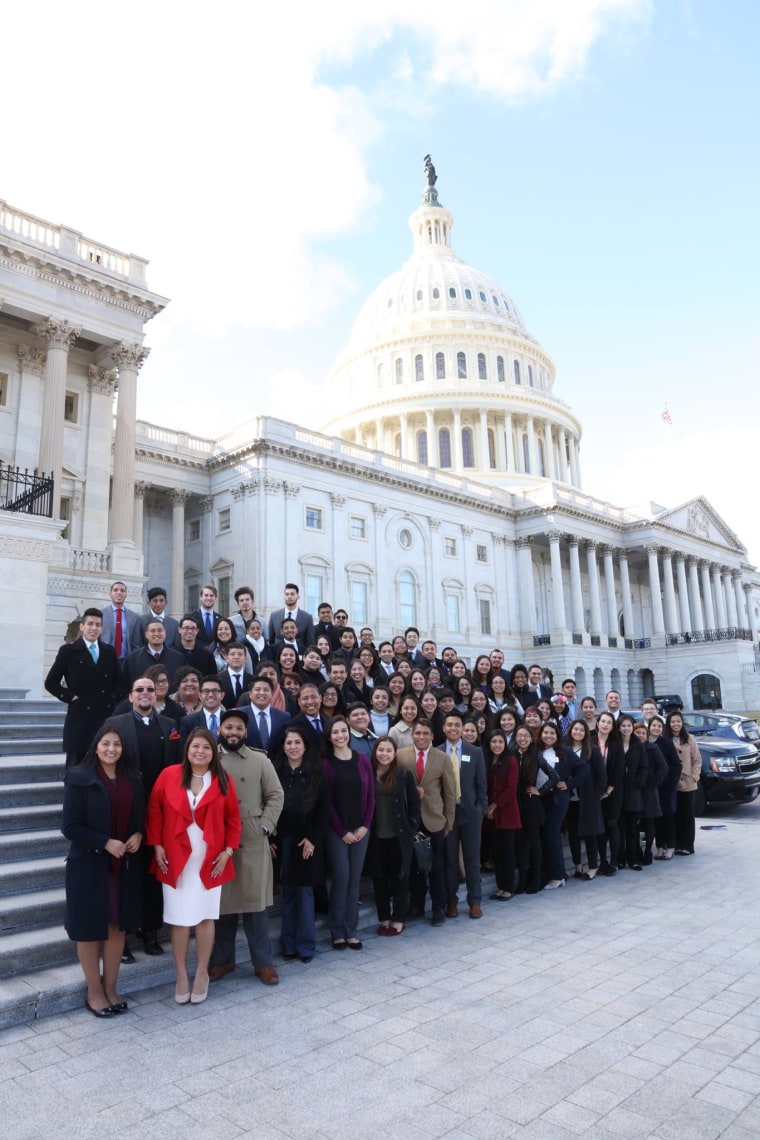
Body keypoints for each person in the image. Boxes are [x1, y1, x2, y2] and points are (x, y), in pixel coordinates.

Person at [146, 729, 241, 1003]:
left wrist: (228, 851)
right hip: (175, 858)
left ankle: (201, 972)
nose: (200, 751)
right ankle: (181, 975)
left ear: (214, 752)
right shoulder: (169, 775)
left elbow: (233, 819)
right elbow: (154, 810)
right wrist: (157, 845)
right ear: (187, 749)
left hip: (210, 860)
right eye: (195, 746)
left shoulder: (223, 780)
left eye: (206, 748)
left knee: (205, 917)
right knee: (178, 919)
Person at [62, 726, 144, 1017]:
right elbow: (70, 827)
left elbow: (138, 818)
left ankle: (111, 987)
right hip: (89, 866)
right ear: (96, 746)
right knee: (88, 930)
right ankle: (94, 991)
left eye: (117, 744)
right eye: (106, 743)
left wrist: (138, 835)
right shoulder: (79, 777)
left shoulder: (131, 778)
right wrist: (104, 842)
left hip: (122, 866)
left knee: (115, 926)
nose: (111, 749)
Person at [103, 677, 180, 958]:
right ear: (131, 695)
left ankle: (150, 933)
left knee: (154, 873)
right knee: (126, 874)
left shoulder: (170, 725)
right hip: (126, 808)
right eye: (140, 689)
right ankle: (122, 940)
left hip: (160, 810)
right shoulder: (117, 723)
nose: (145, 693)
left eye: (150, 689)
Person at [208, 711, 284, 986]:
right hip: (218, 836)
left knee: (256, 905)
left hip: (251, 835)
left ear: (245, 732)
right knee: (222, 905)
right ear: (220, 730)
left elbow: (276, 794)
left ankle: (263, 962)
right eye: (228, 727)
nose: (233, 732)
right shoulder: (209, 757)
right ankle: (222, 959)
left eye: (239, 728)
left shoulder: (259, 759)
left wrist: (265, 827)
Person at [272, 726, 329, 962]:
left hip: (307, 841)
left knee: (305, 894)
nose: (293, 747)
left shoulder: (316, 771)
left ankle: (306, 946)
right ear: (283, 746)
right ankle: (289, 944)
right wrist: (271, 839)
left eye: (297, 742)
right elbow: (269, 805)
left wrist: (313, 839)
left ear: (305, 745)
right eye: (288, 743)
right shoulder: (276, 770)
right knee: (288, 893)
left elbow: (323, 808)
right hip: (283, 838)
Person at [322, 717, 375, 949]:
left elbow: (371, 796)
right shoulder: (325, 763)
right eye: (336, 732)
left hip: (361, 830)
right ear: (330, 736)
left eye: (344, 731)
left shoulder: (362, 760)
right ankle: (336, 931)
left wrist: (365, 825)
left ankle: (351, 930)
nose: (341, 735)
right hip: (337, 831)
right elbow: (327, 802)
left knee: (355, 880)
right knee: (341, 877)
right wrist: (342, 831)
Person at [397, 718, 456, 926]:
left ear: (432, 736)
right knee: (414, 866)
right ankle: (417, 905)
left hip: (435, 820)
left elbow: (450, 792)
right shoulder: (400, 755)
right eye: (417, 733)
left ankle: (438, 907)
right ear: (412, 735)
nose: (421, 737)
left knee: (437, 865)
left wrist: (449, 822)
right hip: (411, 820)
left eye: (425, 734)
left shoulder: (442, 758)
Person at [45, 608, 120, 769]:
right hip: (79, 719)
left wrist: (113, 702)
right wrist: (71, 697)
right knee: (76, 769)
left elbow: (117, 682)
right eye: (90, 624)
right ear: (82, 626)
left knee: (102, 769)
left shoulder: (109, 652)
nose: (93, 628)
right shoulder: (69, 651)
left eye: (97, 625)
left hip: (104, 717)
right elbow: (50, 683)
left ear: (102, 628)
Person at [367, 736, 420, 935]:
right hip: (375, 836)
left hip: (398, 837)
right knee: (379, 880)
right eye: (381, 750)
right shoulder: (368, 773)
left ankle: (399, 918)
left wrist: (412, 826)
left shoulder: (403, 774)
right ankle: (384, 918)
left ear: (394, 753)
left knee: (400, 879)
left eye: (389, 751)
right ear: (375, 751)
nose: (384, 754)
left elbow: (415, 804)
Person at [441, 711, 487, 919]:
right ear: (443, 728)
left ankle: (474, 901)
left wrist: (480, 809)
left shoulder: (475, 752)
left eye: (457, 725)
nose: (453, 728)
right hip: (446, 816)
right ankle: (451, 901)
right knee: (450, 860)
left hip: (470, 813)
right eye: (449, 725)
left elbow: (481, 785)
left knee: (472, 859)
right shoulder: (437, 752)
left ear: (462, 728)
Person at [538, 721, 587, 889]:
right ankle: (552, 873)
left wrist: (569, 784)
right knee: (545, 836)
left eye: (552, 733)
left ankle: (558, 876)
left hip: (557, 799)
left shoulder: (565, 752)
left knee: (552, 835)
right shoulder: (536, 751)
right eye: (546, 732)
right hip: (540, 798)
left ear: (557, 736)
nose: (549, 736)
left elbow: (583, 769)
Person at [512, 725, 557, 894]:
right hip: (516, 803)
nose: (522, 738)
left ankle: (536, 880)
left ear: (531, 738)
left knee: (534, 841)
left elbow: (554, 776)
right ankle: (522, 881)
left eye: (526, 736)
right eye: (520, 735)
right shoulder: (512, 754)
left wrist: (540, 790)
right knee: (521, 843)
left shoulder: (536, 755)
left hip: (531, 802)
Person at [564, 720, 606, 881]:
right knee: (573, 834)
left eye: (582, 730)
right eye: (575, 729)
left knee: (590, 834)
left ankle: (593, 867)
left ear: (586, 733)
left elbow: (602, 776)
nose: (578, 732)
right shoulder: (564, 749)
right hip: (569, 799)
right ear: (570, 730)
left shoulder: (593, 750)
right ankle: (577, 867)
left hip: (588, 799)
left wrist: (596, 795)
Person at [483, 729, 520, 900]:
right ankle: (500, 887)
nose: (497, 745)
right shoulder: (486, 759)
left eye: (500, 742)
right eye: (494, 742)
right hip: (491, 815)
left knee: (508, 851)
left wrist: (494, 806)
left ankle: (509, 887)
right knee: (496, 852)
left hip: (507, 812)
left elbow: (511, 789)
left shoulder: (511, 759)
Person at [665, 711, 702, 856]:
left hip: (688, 782)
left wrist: (694, 776)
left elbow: (697, 760)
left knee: (687, 815)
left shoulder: (689, 738)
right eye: (673, 721)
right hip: (671, 783)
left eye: (678, 721)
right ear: (668, 723)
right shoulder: (665, 738)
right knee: (674, 815)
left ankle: (687, 845)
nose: (676, 724)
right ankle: (675, 844)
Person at [594, 712, 624, 876]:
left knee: (612, 824)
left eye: (609, 722)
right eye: (603, 721)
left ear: (613, 727)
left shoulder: (616, 744)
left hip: (612, 792)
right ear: (598, 723)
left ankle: (614, 861)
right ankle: (602, 861)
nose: (605, 724)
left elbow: (619, 770)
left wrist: (608, 791)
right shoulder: (590, 740)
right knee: (599, 827)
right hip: (595, 792)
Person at [618, 714, 648, 870]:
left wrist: (638, 782)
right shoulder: (614, 743)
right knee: (619, 827)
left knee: (632, 828)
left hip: (633, 791)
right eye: (623, 725)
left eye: (629, 725)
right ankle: (621, 859)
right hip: (617, 791)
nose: (626, 728)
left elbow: (644, 767)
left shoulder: (638, 745)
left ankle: (634, 858)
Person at [122, 619, 185, 691]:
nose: (156, 633)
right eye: (152, 631)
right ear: (146, 634)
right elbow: (125, 685)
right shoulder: (133, 658)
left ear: (165, 633)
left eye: (160, 630)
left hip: (169, 701)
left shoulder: (178, 658)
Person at [242, 674, 291, 755]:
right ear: (250, 694)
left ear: (271, 693)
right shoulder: (240, 715)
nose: (262, 693)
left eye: (266, 690)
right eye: (257, 689)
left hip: (276, 765)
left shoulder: (284, 717)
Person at [100, 581, 143, 660]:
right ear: (110, 594)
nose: (119, 593)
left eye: (122, 590)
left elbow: (136, 644)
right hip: (105, 659)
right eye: (115, 590)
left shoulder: (134, 617)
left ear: (126, 594)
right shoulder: (101, 615)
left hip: (126, 661)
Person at [267, 583, 315, 647]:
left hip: (299, 654)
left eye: (292, 594)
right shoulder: (274, 616)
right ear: (284, 596)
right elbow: (270, 639)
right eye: (287, 594)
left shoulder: (307, 617)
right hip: (277, 653)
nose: (289, 597)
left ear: (298, 596)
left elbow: (310, 642)